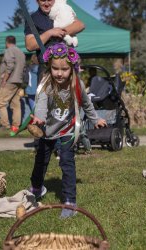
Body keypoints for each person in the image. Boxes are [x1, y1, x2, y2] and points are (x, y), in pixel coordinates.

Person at [29, 43, 106, 218]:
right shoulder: (47, 83)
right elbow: (41, 102)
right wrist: (39, 117)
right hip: (47, 130)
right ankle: (36, 187)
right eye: (55, 68)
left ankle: (70, 201)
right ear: (50, 67)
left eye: (64, 69)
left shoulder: (76, 83)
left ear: (72, 68)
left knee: (67, 163)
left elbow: (86, 104)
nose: (59, 73)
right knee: (41, 160)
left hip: (68, 130)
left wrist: (95, 119)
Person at [24, 0, 85, 82]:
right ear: (37, 1)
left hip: (68, 67)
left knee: (70, 94)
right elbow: (30, 45)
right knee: (44, 95)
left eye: (49, 0)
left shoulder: (62, 10)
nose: (46, 3)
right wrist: (50, 33)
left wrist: (61, 31)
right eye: (42, 0)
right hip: (46, 69)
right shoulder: (32, 19)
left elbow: (80, 25)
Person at [0, 36, 26, 132]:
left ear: (7, 42)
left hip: (9, 80)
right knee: (15, 104)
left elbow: (10, 65)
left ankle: (5, 126)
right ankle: (16, 126)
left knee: (0, 103)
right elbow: (24, 68)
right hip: (18, 81)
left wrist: (4, 79)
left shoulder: (9, 50)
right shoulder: (21, 52)